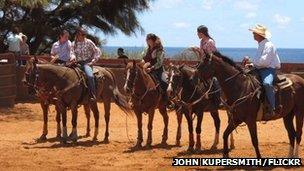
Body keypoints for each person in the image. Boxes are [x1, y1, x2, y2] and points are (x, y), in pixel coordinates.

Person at [245, 24, 282, 117]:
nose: (253, 34)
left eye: (254, 33)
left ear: (259, 35)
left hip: (268, 69)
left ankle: (272, 108)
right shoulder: (261, 45)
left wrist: (252, 62)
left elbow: (264, 62)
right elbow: (259, 61)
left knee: (267, 84)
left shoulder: (269, 45)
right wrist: (252, 64)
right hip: (259, 68)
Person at [71, 27, 101, 100]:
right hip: (76, 63)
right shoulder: (73, 43)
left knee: (90, 76)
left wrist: (92, 61)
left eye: (84, 34)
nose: (84, 36)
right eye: (82, 34)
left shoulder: (89, 42)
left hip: (86, 63)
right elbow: (71, 52)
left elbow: (98, 52)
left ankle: (92, 94)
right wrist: (73, 57)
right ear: (78, 34)